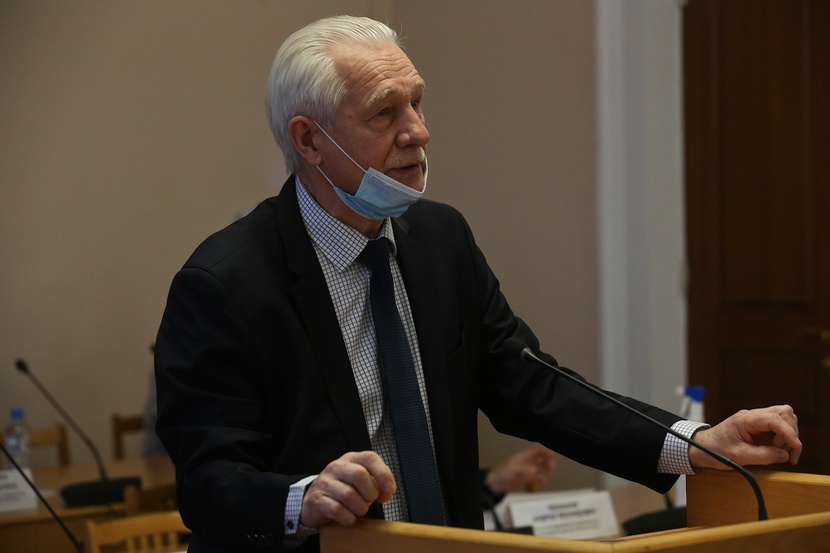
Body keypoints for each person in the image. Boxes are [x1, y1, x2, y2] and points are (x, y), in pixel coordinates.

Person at [154, 15, 801, 553]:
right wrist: (302, 498)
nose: (418, 131)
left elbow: (532, 385)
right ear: (310, 141)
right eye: (384, 113)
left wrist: (694, 443)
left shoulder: (440, 240)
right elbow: (209, 482)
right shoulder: (225, 284)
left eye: (417, 102)